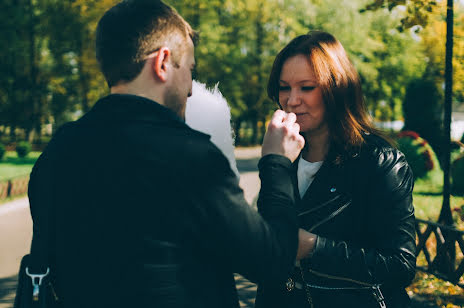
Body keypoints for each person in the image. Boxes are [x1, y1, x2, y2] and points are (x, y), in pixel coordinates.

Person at [25, 1, 311, 307]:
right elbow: (271, 263)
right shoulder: (191, 157)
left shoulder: (55, 156)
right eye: (189, 69)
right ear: (162, 62)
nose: (190, 89)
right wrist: (276, 163)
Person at [255, 31, 416, 308]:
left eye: (306, 87)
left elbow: (399, 265)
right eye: (284, 87)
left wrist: (314, 247)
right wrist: (274, 164)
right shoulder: (280, 154)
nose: (292, 100)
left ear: (336, 88)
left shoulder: (379, 161)